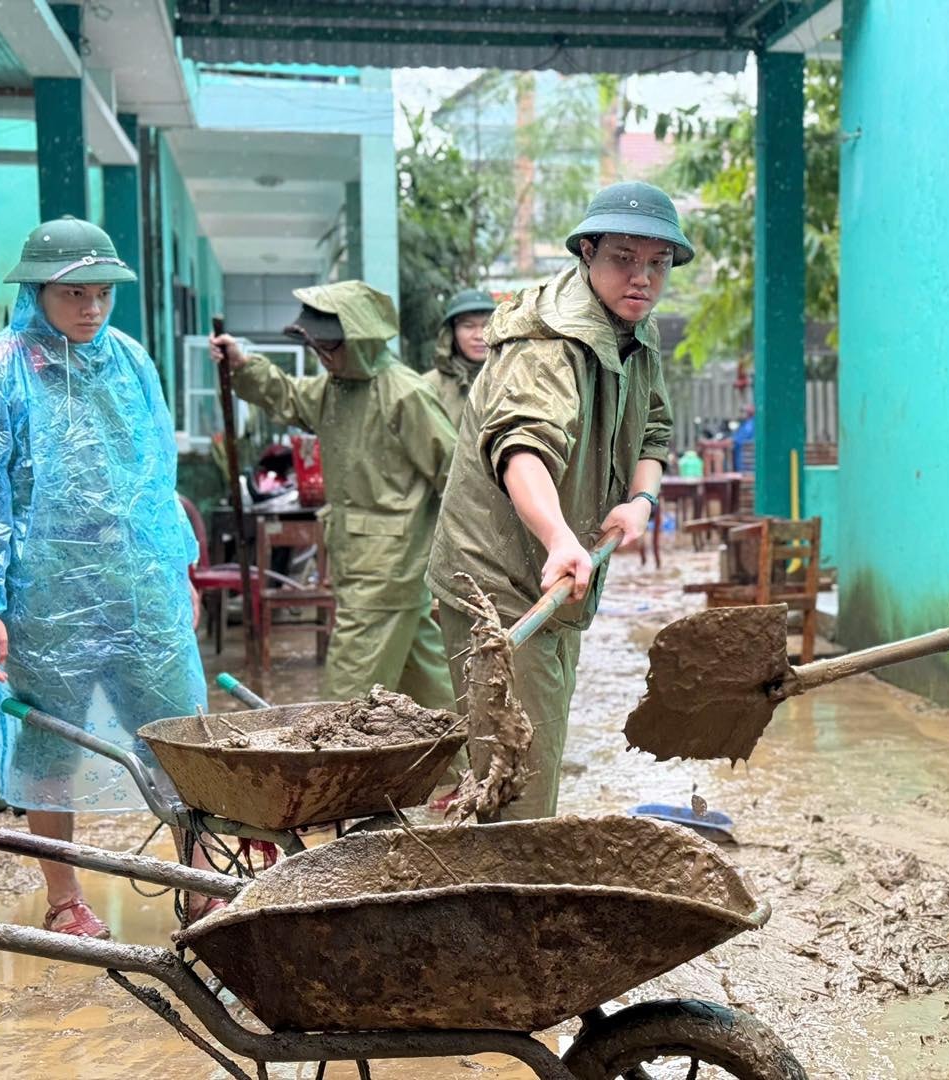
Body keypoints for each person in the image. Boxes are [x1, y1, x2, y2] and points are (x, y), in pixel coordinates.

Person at [0, 217, 208, 936]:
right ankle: (65, 897)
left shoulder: (130, 360)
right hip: (44, 593)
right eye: (75, 292)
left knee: (177, 733)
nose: (92, 308)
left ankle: (198, 881)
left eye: (102, 291)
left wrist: (179, 569)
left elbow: (155, 473)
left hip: (137, 583)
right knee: (50, 744)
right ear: (39, 289)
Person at [426, 180, 688, 820]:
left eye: (657, 263)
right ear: (588, 252)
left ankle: (482, 888)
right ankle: (491, 907)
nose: (642, 278)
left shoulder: (634, 334)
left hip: (558, 581)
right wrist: (560, 538)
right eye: (624, 257)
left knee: (520, 769)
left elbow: (652, 429)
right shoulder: (548, 338)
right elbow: (521, 448)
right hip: (498, 586)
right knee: (516, 786)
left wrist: (641, 502)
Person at [210, 282, 458, 708]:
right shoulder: (335, 389)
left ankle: (334, 770)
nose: (324, 359)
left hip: (388, 569)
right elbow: (287, 395)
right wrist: (243, 366)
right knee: (425, 681)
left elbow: (453, 474)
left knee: (348, 695)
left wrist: (457, 557)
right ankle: (461, 764)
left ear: (359, 340)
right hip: (362, 561)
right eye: (317, 349)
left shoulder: (404, 393)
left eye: (331, 348)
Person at [425, 288, 497, 431]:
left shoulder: (516, 379)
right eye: (468, 326)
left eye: (486, 325)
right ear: (451, 333)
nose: (479, 335)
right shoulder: (428, 387)